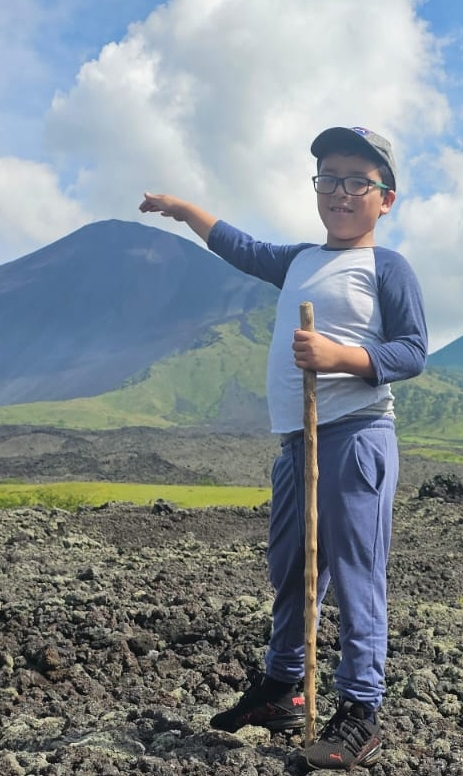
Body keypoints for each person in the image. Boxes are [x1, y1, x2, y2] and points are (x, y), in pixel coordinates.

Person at [138, 126, 427, 770]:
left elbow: (412, 350)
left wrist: (341, 357)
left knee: (355, 573)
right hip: (298, 441)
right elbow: (240, 247)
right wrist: (184, 209)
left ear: (388, 199)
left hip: (355, 437)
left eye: (359, 181)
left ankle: (361, 708)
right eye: (328, 178)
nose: (341, 192)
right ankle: (282, 688)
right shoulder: (297, 260)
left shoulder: (386, 267)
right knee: (293, 566)